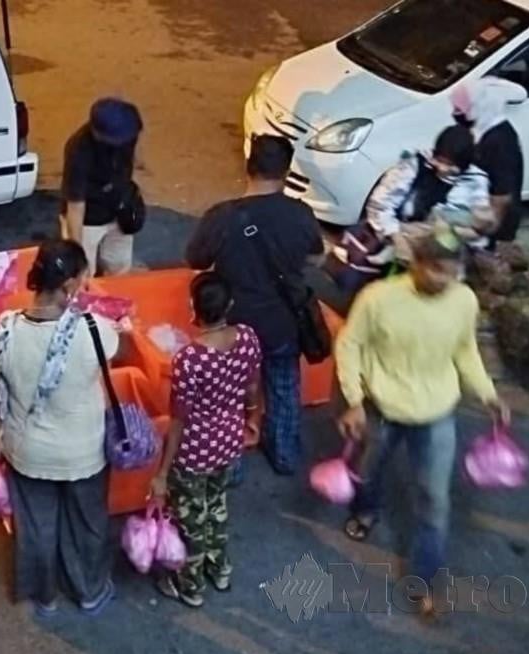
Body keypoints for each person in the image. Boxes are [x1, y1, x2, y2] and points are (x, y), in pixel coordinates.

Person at [335, 222, 509, 616]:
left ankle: (426, 578)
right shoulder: (378, 298)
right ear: (416, 263)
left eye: (451, 271)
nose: (443, 278)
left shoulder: (464, 300)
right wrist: (354, 400)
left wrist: (488, 394)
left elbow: (465, 351)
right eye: (436, 268)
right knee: (369, 471)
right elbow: (350, 344)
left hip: (436, 414)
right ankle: (365, 510)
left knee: (435, 498)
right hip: (382, 409)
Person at [0, 239, 117, 617]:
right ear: (70, 287)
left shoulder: (2, 331)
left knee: (36, 525)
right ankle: (89, 591)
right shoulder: (94, 330)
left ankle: (44, 595)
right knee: (87, 522)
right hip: (83, 452)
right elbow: (116, 355)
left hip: (26, 451)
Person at [185, 134, 324, 475]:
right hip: (283, 323)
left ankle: (230, 468)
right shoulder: (301, 214)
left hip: (234, 325)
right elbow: (317, 259)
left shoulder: (221, 217)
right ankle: (284, 455)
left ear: (249, 166)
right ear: (286, 171)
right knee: (283, 388)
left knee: (229, 396)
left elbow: (196, 261)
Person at [149, 273, 261, 608]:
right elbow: (252, 387)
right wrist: (252, 418)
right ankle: (220, 568)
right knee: (217, 504)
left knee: (191, 518)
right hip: (229, 440)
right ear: (228, 305)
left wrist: (162, 472)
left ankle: (191, 585)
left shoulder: (189, 360)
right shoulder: (248, 338)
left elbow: (179, 419)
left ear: (193, 309)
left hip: (194, 451)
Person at [331, 125, 492, 296]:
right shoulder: (414, 164)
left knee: (443, 230)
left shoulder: (475, 182)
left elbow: (476, 227)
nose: (443, 169)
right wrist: (396, 236)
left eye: (450, 165)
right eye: (440, 161)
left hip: (439, 247)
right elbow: (380, 204)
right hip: (398, 236)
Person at [451, 77, 528, 269]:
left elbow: (501, 197)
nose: (456, 114)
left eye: (461, 110)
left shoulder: (499, 142)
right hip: (480, 214)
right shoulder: (485, 130)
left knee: (492, 271)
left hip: (494, 224)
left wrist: (485, 230)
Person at [61, 97, 144, 276]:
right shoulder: (79, 151)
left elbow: (128, 163)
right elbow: (75, 207)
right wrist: (78, 255)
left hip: (119, 210)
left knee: (119, 266)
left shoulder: (127, 135)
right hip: (88, 219)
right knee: (83, 275)